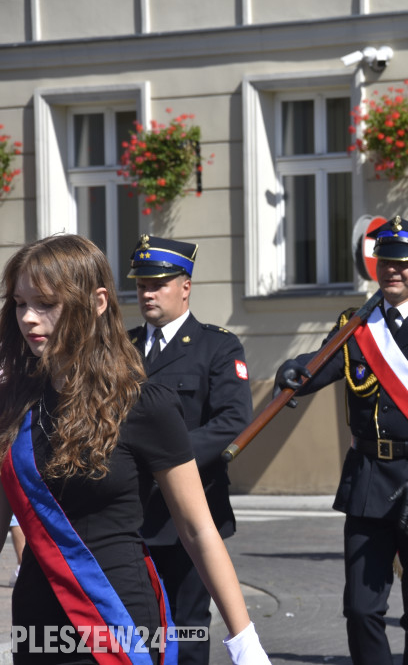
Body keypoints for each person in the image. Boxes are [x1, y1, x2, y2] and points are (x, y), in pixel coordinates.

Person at [0, 234, 270, 665]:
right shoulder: (11, 405)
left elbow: (199, 531)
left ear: (97, 302)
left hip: (117, 616)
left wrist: (245, 644)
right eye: (19, 303)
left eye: (46, 303)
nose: (29, 319)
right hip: (38, 622)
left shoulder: (143, 404)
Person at [274, 216, 408, 665]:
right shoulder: (357, 325)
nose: (392, 270)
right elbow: (323, 364)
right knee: (361, 609)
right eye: (385, 260)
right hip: (370, 482)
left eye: (404, 263)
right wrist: (294, 370)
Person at [126, 235, 254, 665]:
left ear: (186, 286)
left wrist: (163, 462)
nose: (147, 292)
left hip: (191, 511)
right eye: (142, 283)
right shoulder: (121, 350)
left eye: (158, 283)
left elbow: (232, 421)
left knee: (188, 627)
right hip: (132, 514)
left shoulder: (217, 347)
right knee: (136, 626)